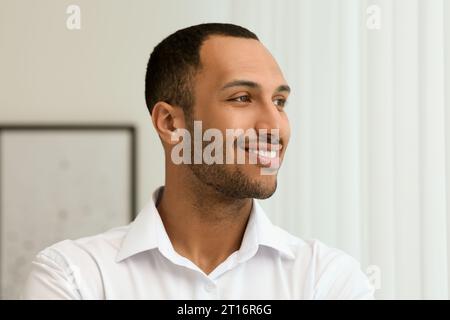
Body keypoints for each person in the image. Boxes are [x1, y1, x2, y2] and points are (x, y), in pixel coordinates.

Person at [21, 23, 374, 299]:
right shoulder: (74, 277)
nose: (273, 126)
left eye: (280, 102)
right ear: (171, 123)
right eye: (241, 98)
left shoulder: (327, 279)